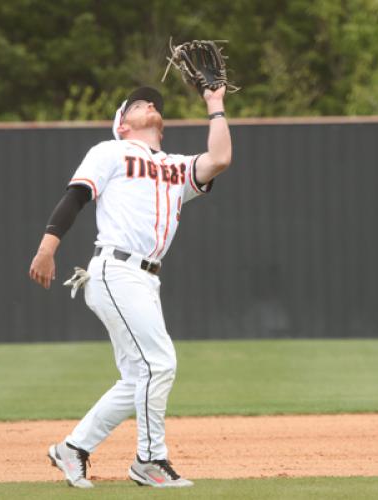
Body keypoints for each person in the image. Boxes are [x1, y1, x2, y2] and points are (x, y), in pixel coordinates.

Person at [29, 85, 232, 488]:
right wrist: (46, 248)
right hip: (116, 268)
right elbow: (76, 197)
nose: (149, 104)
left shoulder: (175, 167)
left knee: (139, 376)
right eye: (138, 104)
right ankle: (150, 461)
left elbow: (221, 158)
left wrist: (215, 105)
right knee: (160, 365)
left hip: (144, 278)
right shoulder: (110, 151)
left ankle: (72, 449)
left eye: (153, 102)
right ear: (122, 124)